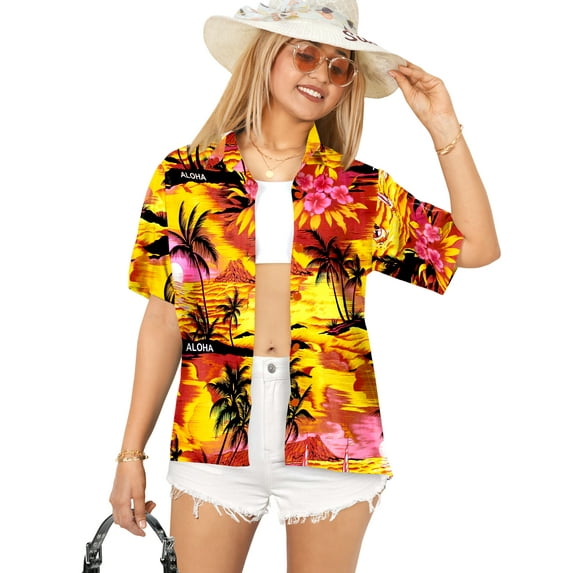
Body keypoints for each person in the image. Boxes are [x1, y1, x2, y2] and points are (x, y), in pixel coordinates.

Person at [109, 1, 500, 571]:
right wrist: (130, 453)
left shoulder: (360, 190)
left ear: (346, 89)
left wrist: (444, 129)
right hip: (212, 428)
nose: (322, 73)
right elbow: (162, 319)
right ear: (267, 56)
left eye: (340, 66)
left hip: (334, 433)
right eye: (306, 54)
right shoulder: (184, 176)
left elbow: (479, 248)